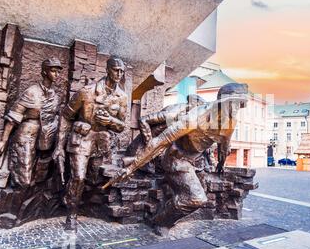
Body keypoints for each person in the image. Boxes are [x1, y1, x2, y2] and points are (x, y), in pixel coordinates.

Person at [105, 83, 248, 235]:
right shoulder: (194, 118)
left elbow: (224, 143)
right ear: (222, 103)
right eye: (233, 104)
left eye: (239, 105)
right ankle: (160, 221)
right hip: (176, 160)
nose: (236, 109)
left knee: (201, 193)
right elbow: (160, 142)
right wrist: (130, 168)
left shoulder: (230, 121)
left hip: (197, 161)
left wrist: (221, 163)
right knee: (197, 198)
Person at [53, 56, 128, 231]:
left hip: (101, 143)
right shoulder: (86, 92)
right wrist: (59, 146)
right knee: (78, 177)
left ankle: (72, 197)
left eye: (122, 71)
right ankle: (71, 214)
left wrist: (110, 120)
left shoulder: (122, 97)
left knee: (93, 179)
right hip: (81, 139)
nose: (119, 73)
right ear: (107, 70)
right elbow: (65, 116)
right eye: (116, 69)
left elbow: (122, 126)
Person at [0, 58, 62, 188]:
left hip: (44, 140)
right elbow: (13, 117)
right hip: (25, 137)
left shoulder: (55, 96)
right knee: (23, 179)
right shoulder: (32, 92)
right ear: (44, 72)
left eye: (58, 72)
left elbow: (56, 117)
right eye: (53, 71)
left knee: (38, 179)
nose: (56, 75)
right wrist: (3, 140)